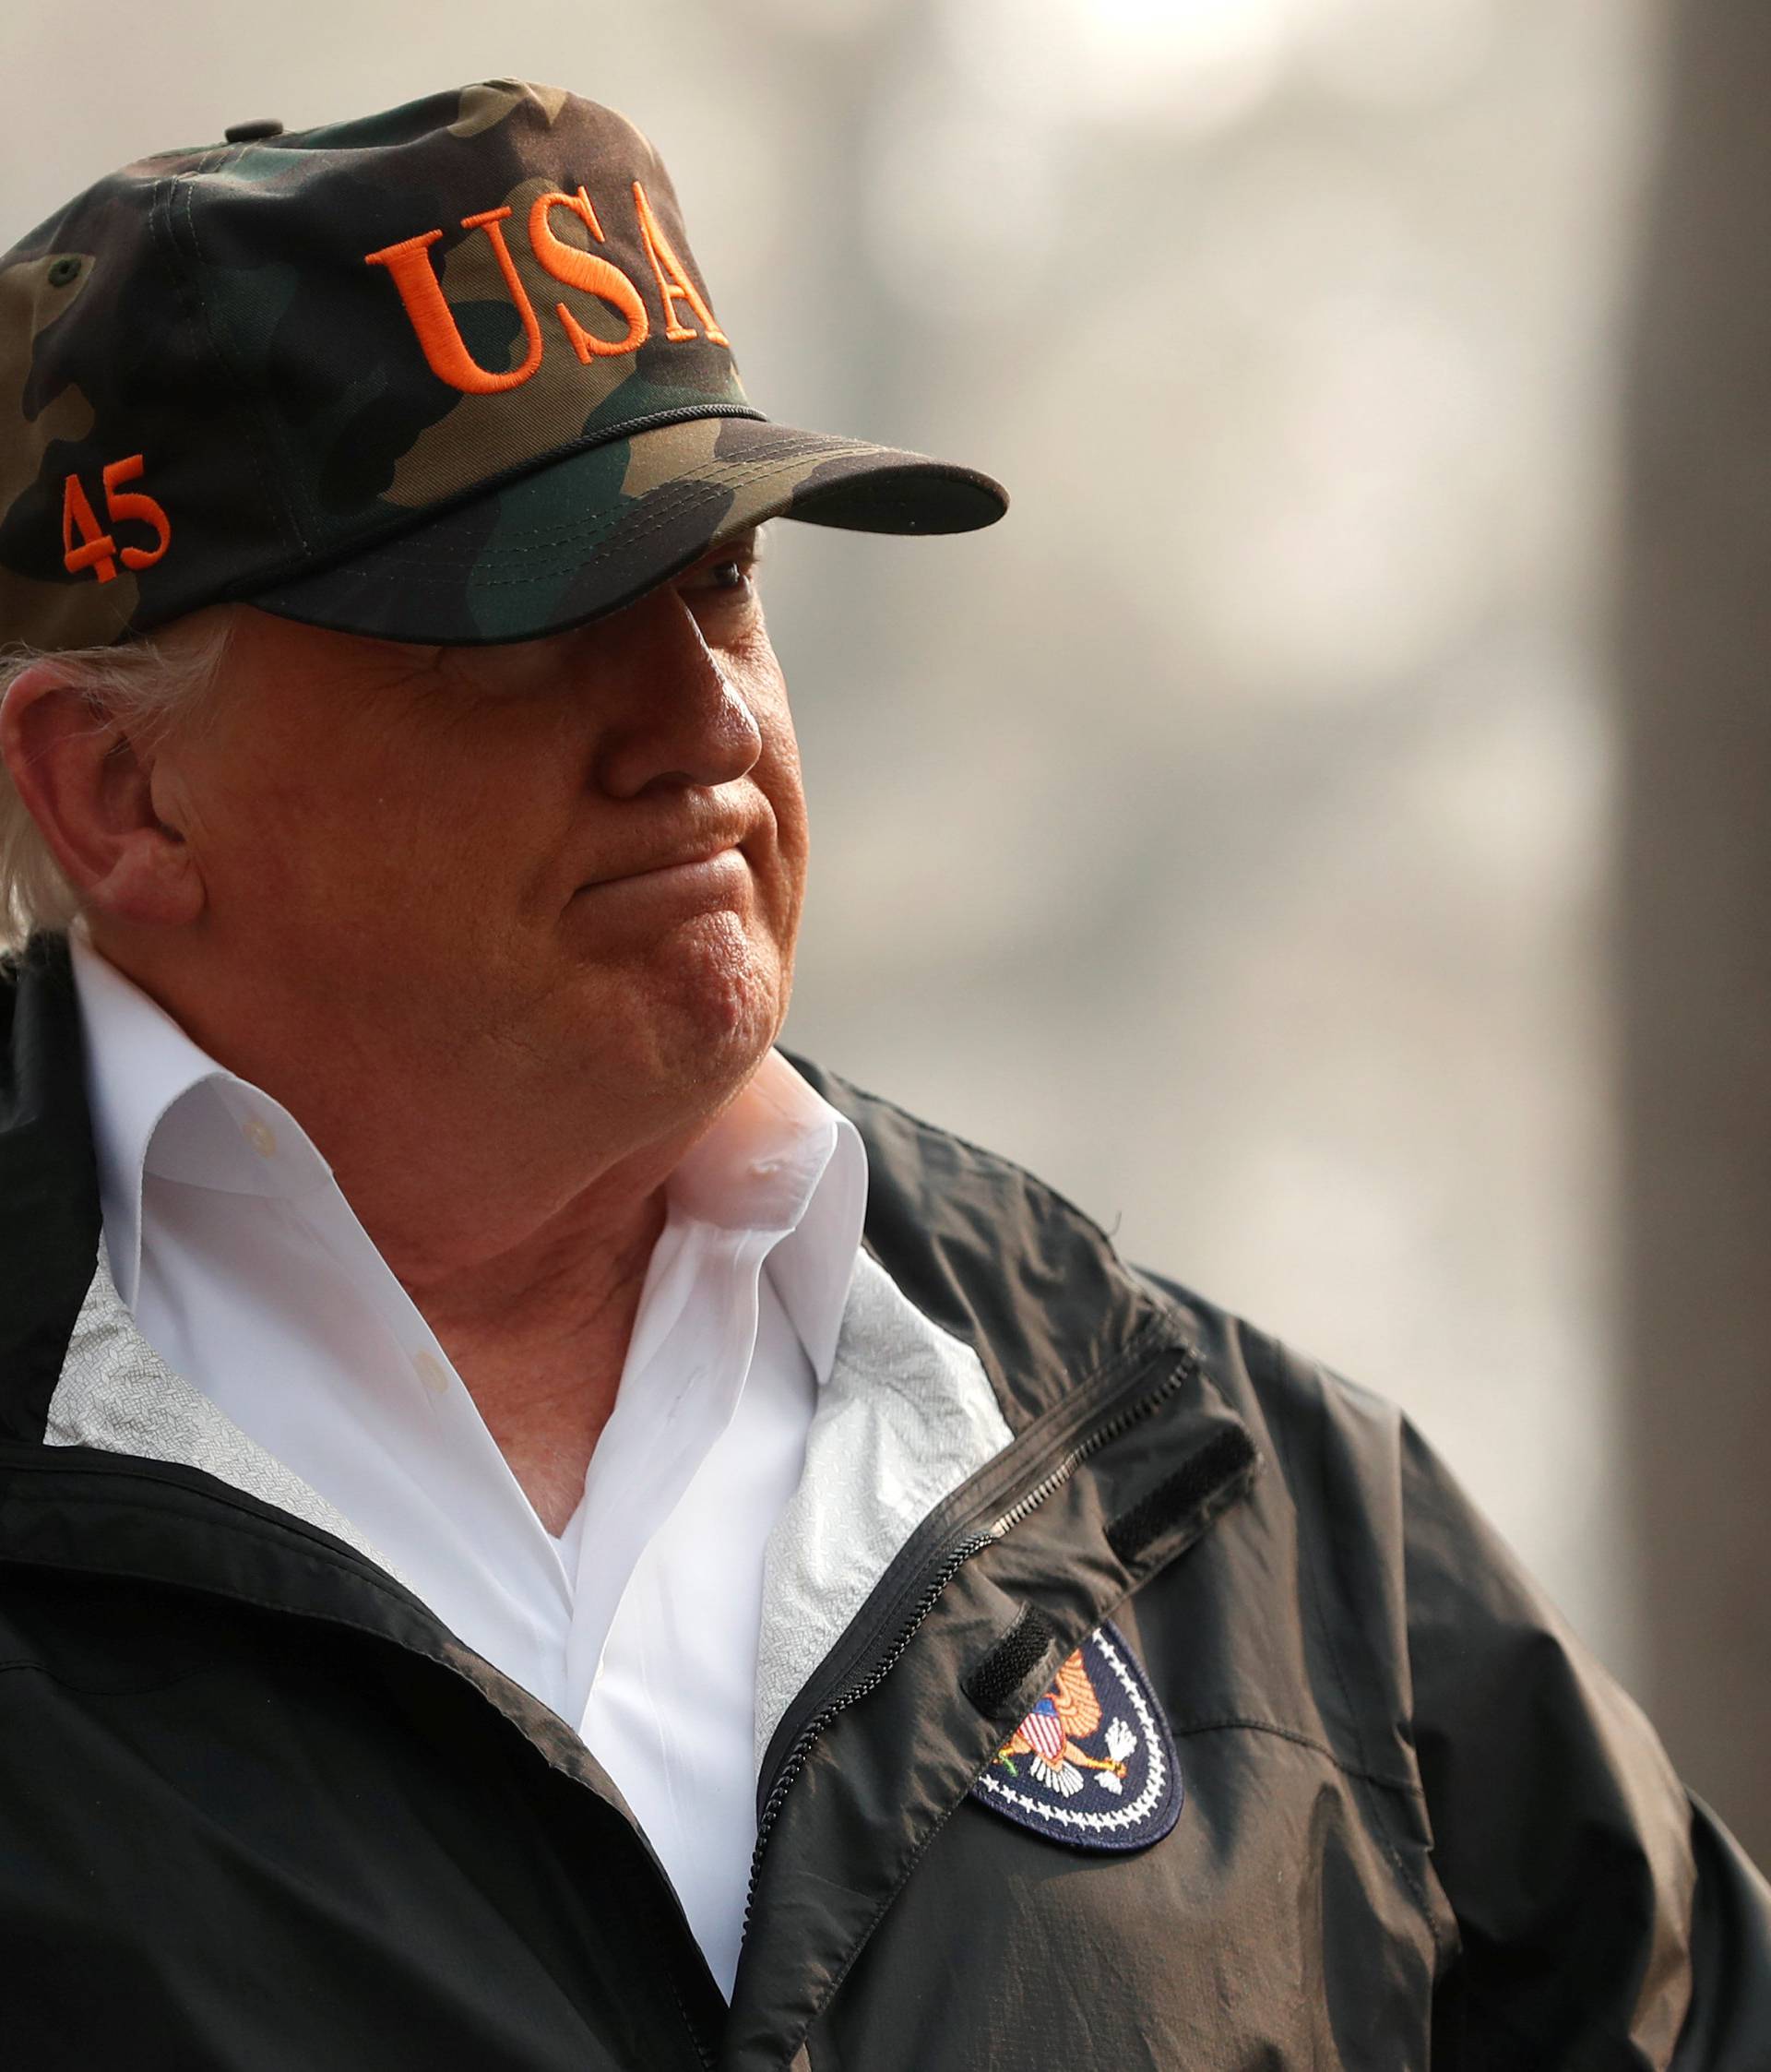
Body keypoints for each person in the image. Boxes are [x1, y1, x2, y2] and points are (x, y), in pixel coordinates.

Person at [0, 77, 1764, 2072]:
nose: (703, 718)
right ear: (118, 788)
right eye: (519, 621)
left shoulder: (1234, 1506)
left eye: (723, 579)